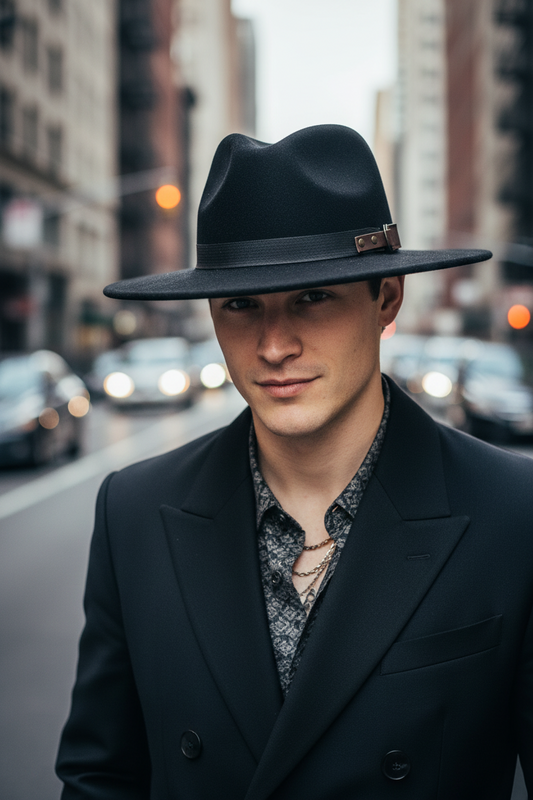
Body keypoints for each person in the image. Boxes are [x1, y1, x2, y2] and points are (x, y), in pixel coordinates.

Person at [56, 125, 533, 799]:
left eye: (313, 297)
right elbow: (100, 778)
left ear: (385, 300)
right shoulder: (134, 512)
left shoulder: (513, 513)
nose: (273, 344)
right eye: (241, 304)